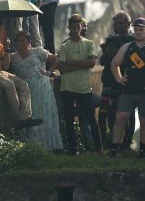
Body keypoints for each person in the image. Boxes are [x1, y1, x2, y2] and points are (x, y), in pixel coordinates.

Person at [110, 18, 145, 157]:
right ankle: (114, 150)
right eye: (136, 29)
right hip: (128, 90)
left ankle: (142, 151)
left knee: (144, 121)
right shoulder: (127, 47)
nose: (138, 32)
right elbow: (114, 64)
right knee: (121, 117)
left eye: (141, 29)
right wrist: (118, 78)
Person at [55, 14, 101, 154]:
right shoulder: (64, 47)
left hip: (84, 87)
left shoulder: (89, 44)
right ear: (69, 28)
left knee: (91, 119)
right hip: (67, 87)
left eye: (78, 27)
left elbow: (92, 63)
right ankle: (73, 150)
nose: (75, 30)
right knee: (69, 120)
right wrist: (82, 65)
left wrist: (72, 62)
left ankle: (99, 149)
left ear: (81, 28)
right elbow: (61, 69)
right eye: (73, 27)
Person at [10, 31, 63, 151]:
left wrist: (49, 72)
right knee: (29, 115)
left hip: (41, 89)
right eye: (18, 41)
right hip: (25, 91)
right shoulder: (13, 57)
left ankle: (49, 147)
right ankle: (32, 146)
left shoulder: (38, 51)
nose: (21, 43)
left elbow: (55, 59)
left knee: (43, 115)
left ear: (29, 42)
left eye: (23, 40)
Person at [99, 12, 134, 151]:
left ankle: (126, 146)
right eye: (116, 23)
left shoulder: (133, 40)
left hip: (127, 83)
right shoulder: (111, 40)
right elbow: (102, 61)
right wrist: (108, 51)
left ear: (128, 23)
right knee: (110, 116)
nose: (118, 26)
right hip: (110, 82)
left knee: (128, 116)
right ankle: (114, 145)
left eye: (120, 23)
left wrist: (117, 52)